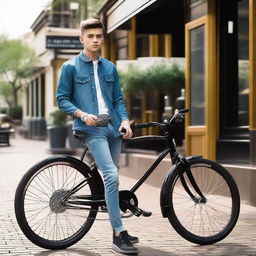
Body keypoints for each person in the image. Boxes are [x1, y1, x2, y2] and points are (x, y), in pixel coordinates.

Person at [56, 18, 138, 255]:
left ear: (103, 38)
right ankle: (119, 233)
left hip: (112, 128)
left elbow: (118, 100)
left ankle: (116, 225)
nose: (94, 40)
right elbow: (62, 99)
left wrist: (124, 119)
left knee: (113, 177)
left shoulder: (110, 68)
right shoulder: (70, 67)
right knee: (111, 175)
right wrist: (82, 114)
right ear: (81, 38)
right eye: (90, 36)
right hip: (90, 128)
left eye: (98, 36)